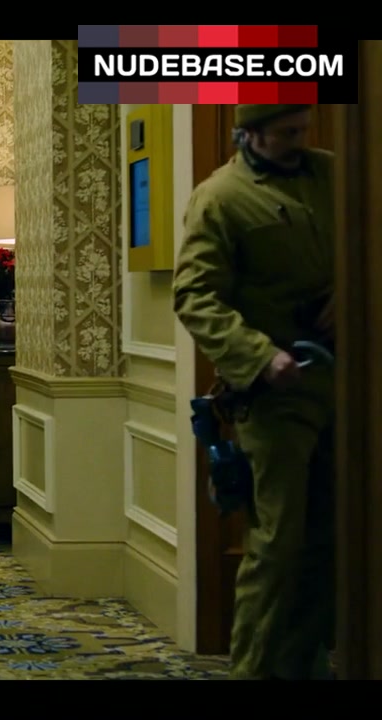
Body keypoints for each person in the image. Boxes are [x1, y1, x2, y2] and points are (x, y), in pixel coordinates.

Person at [173, 104, 336, 680]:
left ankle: (303, 667)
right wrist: (261, 357)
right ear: (249, 135)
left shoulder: (332, 174)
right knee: (277, 546)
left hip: (346, 386)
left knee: (334, 541)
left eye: (303, 130)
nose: (299, 142)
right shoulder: (221, 198)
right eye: (286, 133)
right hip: (275, 397)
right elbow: (195, 297)